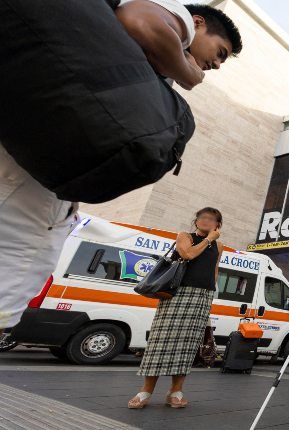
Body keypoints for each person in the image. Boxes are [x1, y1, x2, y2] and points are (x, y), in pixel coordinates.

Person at [0, 1, 242, 331]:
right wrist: (189, 74)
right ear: (198, 23)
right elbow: (140, 21)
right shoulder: (179, 23)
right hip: (25, 189)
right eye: (221, 52)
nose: (215, 64)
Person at [128, 207, 224, 409]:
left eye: (211, 219)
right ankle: (145, 391)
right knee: (159, 343)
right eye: (202, 217)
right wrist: (208, 240)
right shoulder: (185, 236)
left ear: (218, 225)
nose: (205, 221)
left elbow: (214, 271)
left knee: (188, 347)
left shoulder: (219, 246)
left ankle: (175, 392)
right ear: (196, 221)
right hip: (177, 294)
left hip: (202, 298)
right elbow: (187, 255)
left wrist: (210, 298)